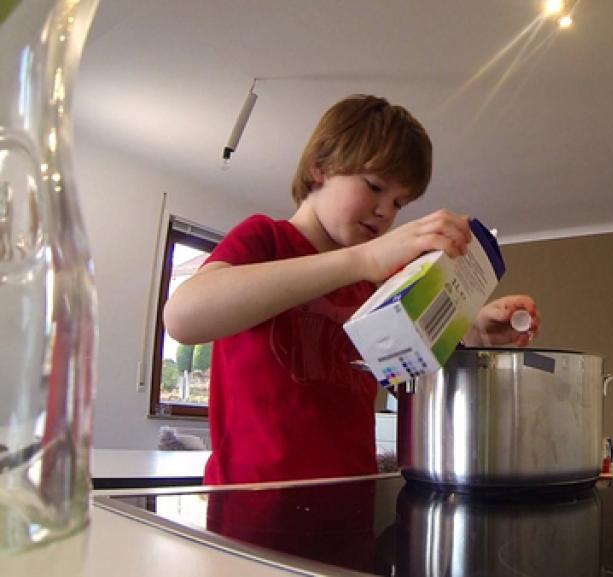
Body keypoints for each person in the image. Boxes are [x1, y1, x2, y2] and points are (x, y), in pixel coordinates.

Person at [163, 94, 539, 485]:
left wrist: (474, 328)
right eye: (375, 186)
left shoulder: (377, 283)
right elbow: (182, 318)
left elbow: (414, 362)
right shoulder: (266, 239)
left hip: (351, 505)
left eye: (399, 201)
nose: (386, 211)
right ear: (320, 167)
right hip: (248, 509)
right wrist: (361, 259)